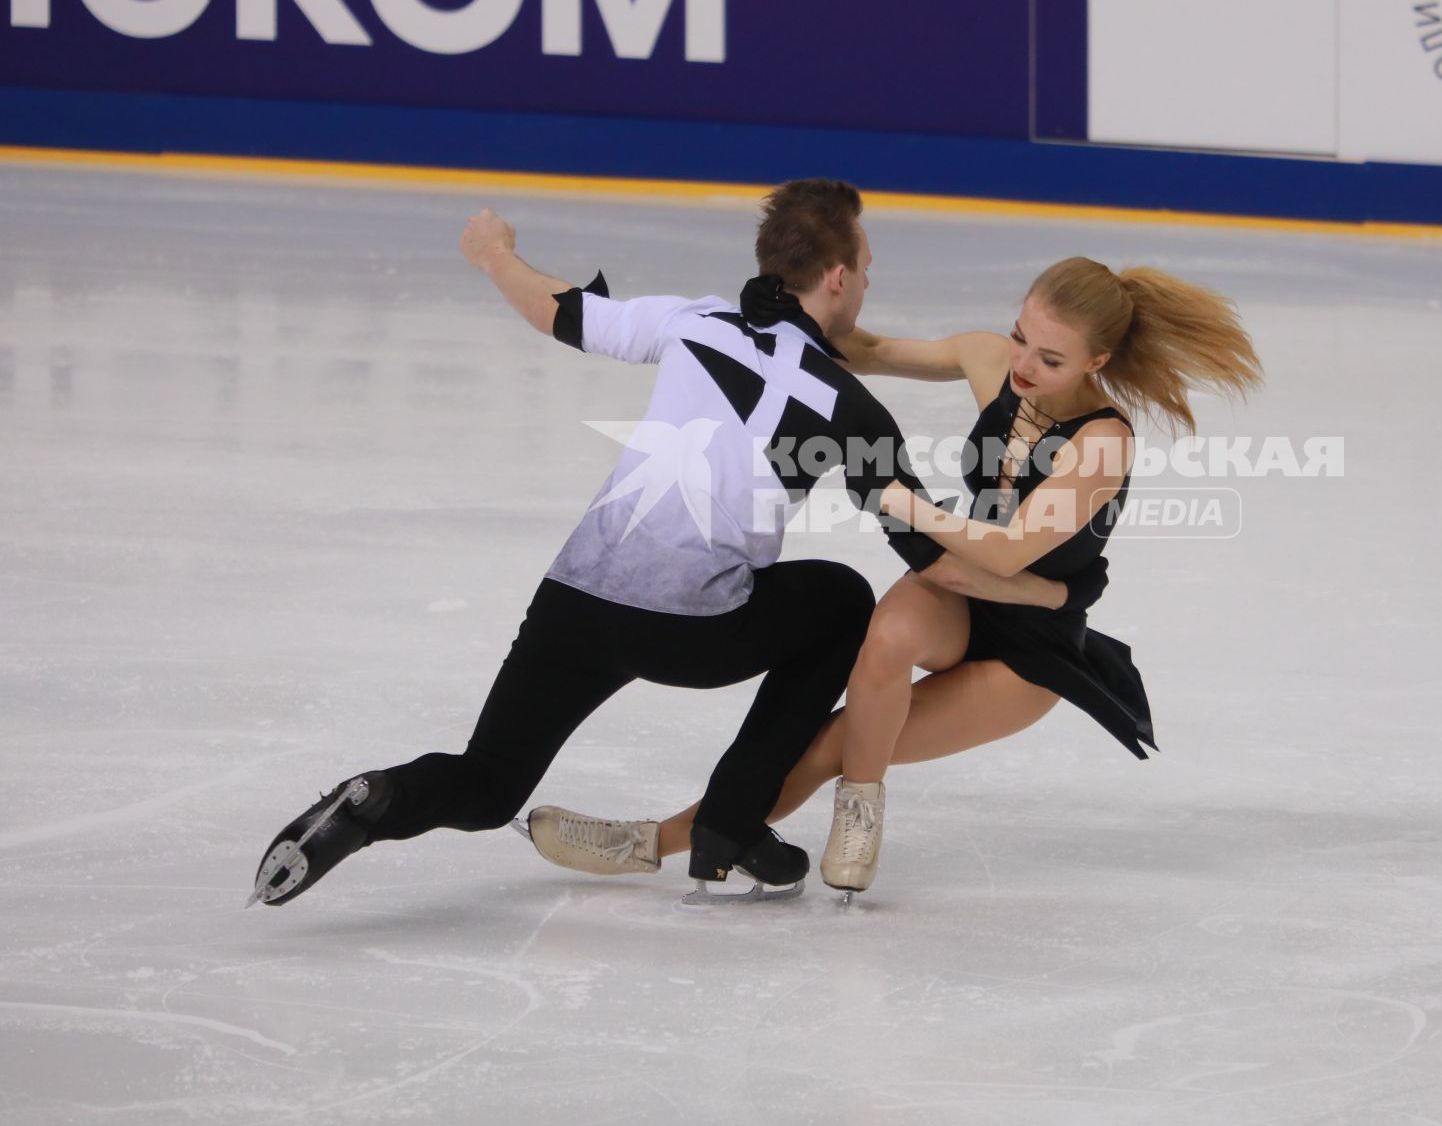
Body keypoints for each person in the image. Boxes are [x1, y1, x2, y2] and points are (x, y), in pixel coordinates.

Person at [246, 179, 1094, 908]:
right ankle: (730, 817)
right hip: (695, 629)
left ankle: (382, 796)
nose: (867, 284)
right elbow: (921, 549)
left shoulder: (694, 320)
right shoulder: (849, 407)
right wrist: (1044, 592)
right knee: (840, 599)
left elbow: (562, 312)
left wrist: (496, 254)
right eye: (866, 270)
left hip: (574, 602)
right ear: (837, 276)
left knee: (486, 782)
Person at [524, 256, 1262, 899]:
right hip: (959, 593)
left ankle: (657, 839)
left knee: (829, 742)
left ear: (1096, 363)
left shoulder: (1102, 443)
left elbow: (1008, 551)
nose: (1023, 367)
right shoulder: (989, 361)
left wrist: (902, 499)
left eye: (1051, 360)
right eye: (1019, 338)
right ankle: (858, 808)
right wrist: (780, 309)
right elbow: (865, 349)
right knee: (884, 634)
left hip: (1028, 650)